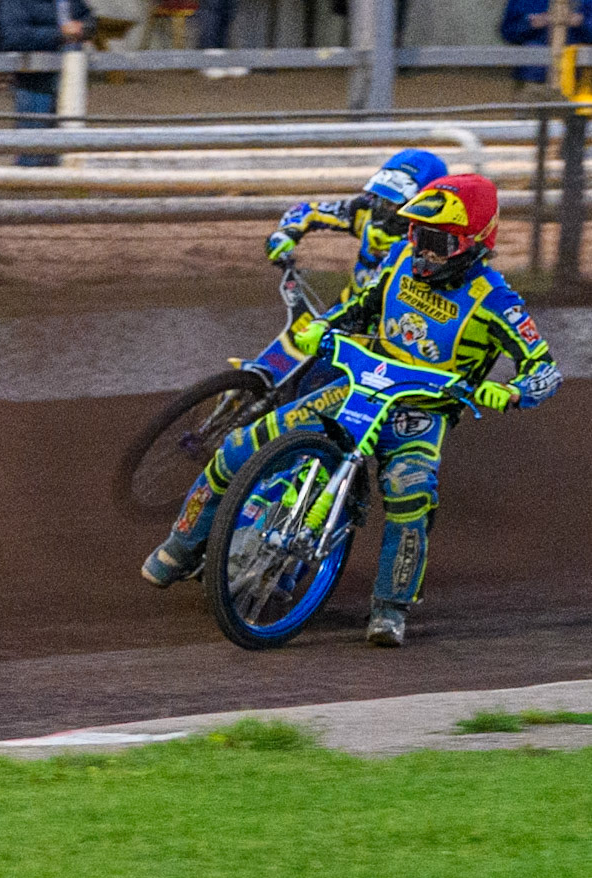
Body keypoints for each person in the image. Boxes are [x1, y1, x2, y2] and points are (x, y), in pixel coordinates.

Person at [142, 174, 561, 646]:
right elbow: (362, 306)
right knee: (242, 445)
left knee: (411, 495)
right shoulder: (401, 258)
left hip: (419, 413)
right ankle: (180, 545)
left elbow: (545, 368)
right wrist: (324, 327)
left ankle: (389, 609)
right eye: (417, 236)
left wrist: (511, 392)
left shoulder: (498, 301)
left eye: (436, 241)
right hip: (359, 384)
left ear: (474, 244)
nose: (421, 251)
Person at [267, 149, 448, 299]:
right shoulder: (364, 209)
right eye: (383, 199)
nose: (387, 208)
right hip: (350, 306)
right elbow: (308, 211)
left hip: (398, 320)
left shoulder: (438, 239)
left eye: (397, 202)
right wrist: (287, 233)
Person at [0, 0, 95, 167]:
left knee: (66, 144)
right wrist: (60, 33)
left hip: (70, 80)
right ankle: (26, 183)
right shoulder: (15, 3)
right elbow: (15, 37)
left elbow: (88, 17)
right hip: (35, 83)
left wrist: (84, 27)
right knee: (32, 149)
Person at [500, 0, 592, 85]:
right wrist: (530, 23)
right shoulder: (524, 2)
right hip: (533, 79)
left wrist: (582, 22)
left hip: (579, 82)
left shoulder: (585, 3)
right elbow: (508, 32)